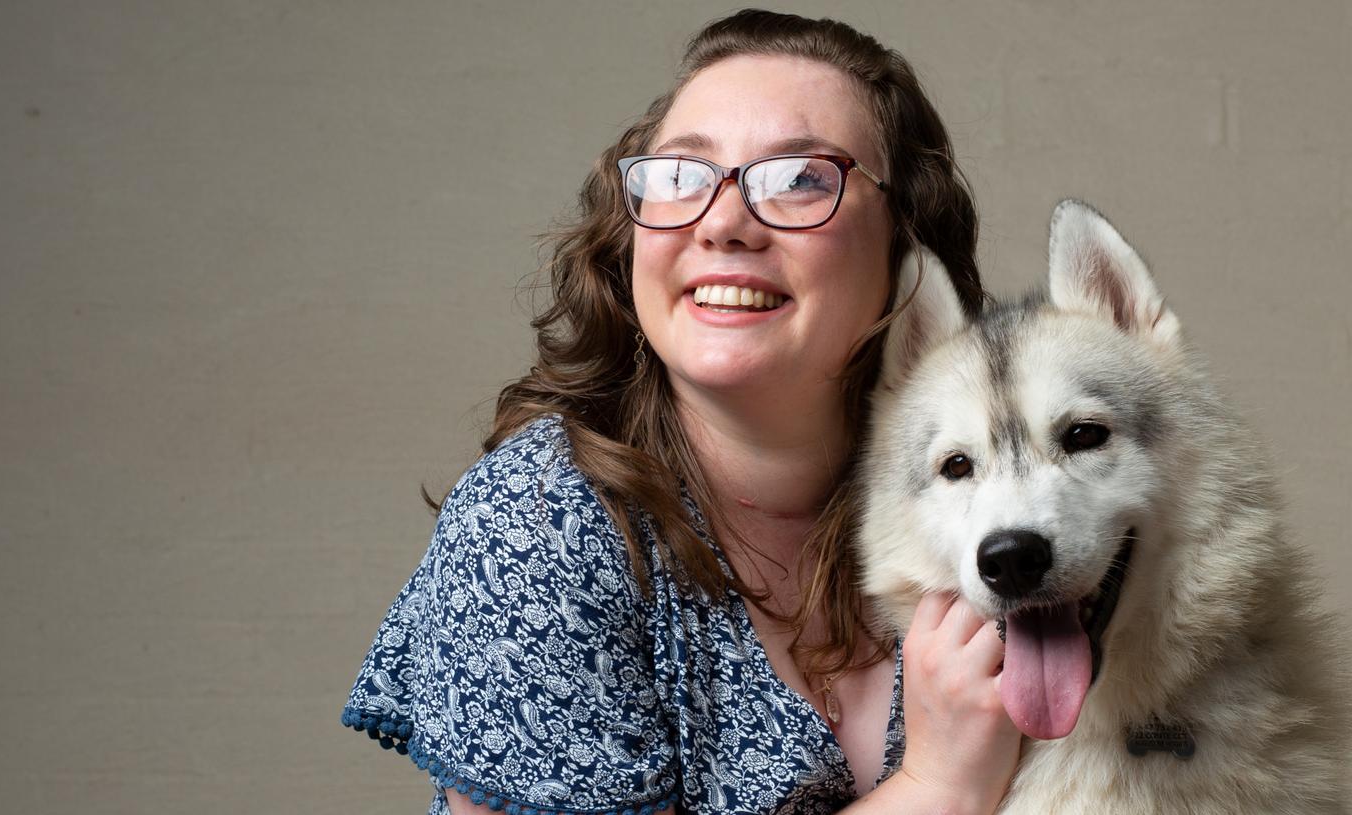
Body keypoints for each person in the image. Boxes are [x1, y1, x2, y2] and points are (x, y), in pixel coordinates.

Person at [342, 10, 1019, 814]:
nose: (723, 222)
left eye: (800, 177)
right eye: (679, 176)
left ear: (905, 246)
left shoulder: (999, 497)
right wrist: (939, 784)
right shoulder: (535, 523)